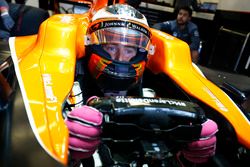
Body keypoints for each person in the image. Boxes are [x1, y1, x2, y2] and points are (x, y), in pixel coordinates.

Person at [63, 3, 217, 166]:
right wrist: (69, 150)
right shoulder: (70, 79)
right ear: (92, 45)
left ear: (142, 53)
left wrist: (188, 149)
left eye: (129, 50)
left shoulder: (152, 83)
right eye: (110, 47)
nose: (120, 57)